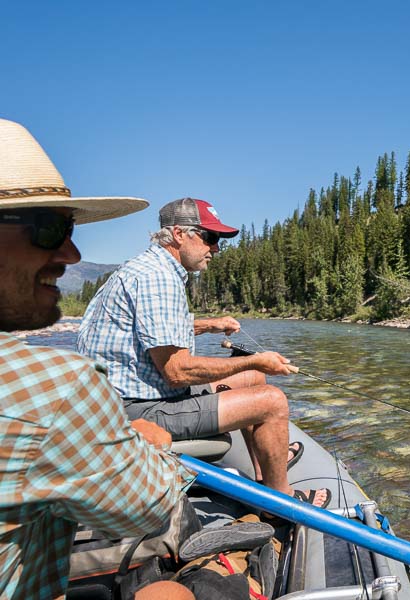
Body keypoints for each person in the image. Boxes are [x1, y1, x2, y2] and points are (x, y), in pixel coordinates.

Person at [0, 118, 193, 599]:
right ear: (178, 237)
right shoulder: (54, 389)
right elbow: (148, 511)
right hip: (141, 424)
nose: (71, 251)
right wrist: (151, 448)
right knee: (172, 593)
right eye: (48, 228)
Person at [77, 197, 331, 508]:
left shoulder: (147, 268)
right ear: (180, 235)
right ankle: (281, 504)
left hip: (119, 401)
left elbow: (155, 328)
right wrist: (256, 359)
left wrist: (209, 324)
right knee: (273, 401)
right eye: (210, 237)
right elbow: (177, 373)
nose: (216, 248)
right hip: (134, 412)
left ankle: (266, 470)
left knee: (252, 378)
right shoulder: (158, 278)